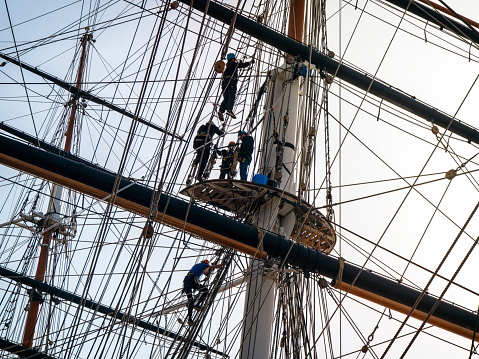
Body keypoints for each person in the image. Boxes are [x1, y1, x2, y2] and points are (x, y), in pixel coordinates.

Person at [183, 259, 225, 325]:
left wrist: (209, 271)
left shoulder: (196, 266)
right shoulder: (204, 265)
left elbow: (205, 272)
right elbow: (212, 267)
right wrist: (221, 265)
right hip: (192, 281)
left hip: (186, 283)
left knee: (191, 301)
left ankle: (190, 319)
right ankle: (197, 304)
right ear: (205, 263)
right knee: (206, 290)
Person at [218, 53, 254, 120]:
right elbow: (242, 65)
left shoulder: (227, 66)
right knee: (231, 96)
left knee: (226, 98)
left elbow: (237, 65)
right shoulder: (233, 64)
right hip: (231, 83)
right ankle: (229, 110)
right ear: (233, 59)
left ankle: (221, 110)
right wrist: (250, 62)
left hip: (224, 84)